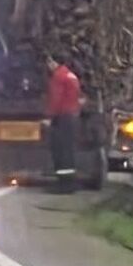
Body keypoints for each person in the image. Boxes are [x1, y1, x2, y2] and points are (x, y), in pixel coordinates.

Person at [44, 55, 82, 194]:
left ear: (53, 62)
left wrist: (49, 117)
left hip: (62, 118)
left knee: (60, 151)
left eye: (49, 62)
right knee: (69, 151)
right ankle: (70, 183)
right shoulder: (71, 75)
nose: (48, 66)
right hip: (72, 117)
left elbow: (56, 98)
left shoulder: (58, 77)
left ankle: (63, 185)